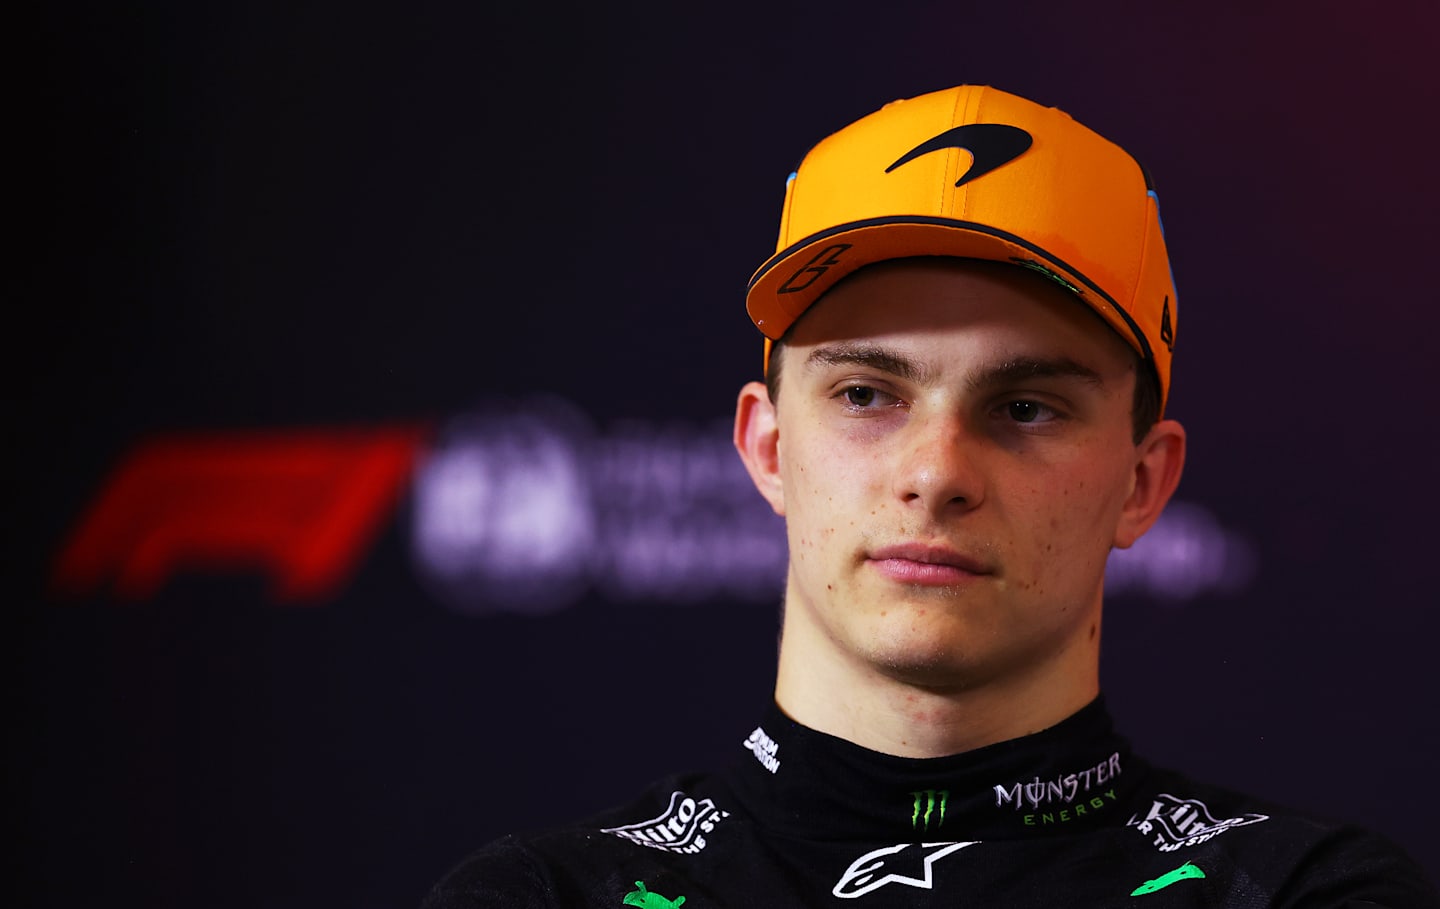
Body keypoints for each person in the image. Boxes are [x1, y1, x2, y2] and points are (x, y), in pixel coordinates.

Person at [422, 84, 1439, 907]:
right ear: (768, 446)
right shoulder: (546, 896)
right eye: (867, 394)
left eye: (1028, 407)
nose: (938, 472)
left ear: (1143, 483)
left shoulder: (1305, 893)